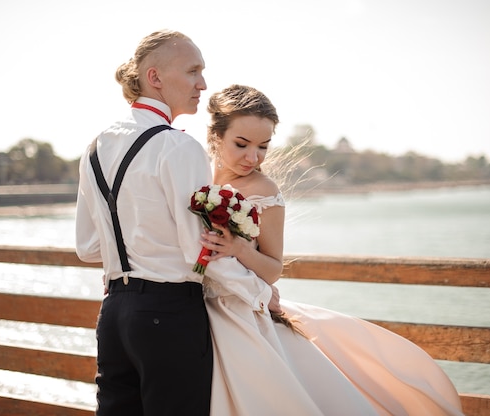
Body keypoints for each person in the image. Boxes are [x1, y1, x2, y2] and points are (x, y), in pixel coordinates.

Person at [198, 84, 465, 415]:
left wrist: (238, 246)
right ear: (215, 136)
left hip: (239, 317)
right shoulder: (195, 177)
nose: (252, 157)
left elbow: (271, 269)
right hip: (191, 312)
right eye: (241, 144)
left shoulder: (264, 191)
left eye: (263, 147)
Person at [75, 32, 272, 416]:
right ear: (155, 77)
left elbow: (88, 248)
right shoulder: (178, 146)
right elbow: (198, 249)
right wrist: (261, 294)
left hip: (114, 315)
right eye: (193, 71)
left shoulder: (96, 146)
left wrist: (137, 251)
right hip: (169, 317)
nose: (203, 83)